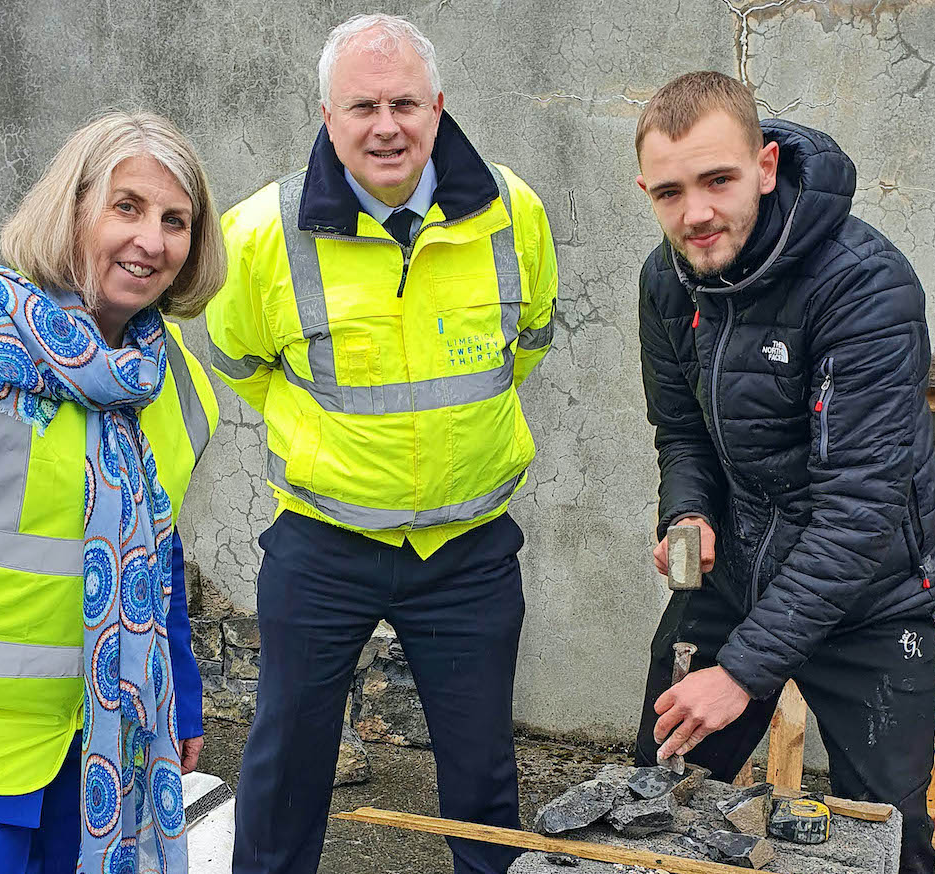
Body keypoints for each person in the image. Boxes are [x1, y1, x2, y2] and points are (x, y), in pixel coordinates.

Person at [206, 13, 558, 874]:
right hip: (323, 542)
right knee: (287, 763)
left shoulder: (514, 214)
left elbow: (528, 346)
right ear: (327, 116)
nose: (387, 125)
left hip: (468, 549)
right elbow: (236, 358)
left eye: (406, 102)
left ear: (438, 106)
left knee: (481, 773)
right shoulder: (258, 233)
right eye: (363, 105)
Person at [0, 110, 227, 874]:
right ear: (72, 208)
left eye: (175, 220)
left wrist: (181, 697)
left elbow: (159, 552)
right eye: (126, 207)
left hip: (111, 740)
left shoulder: (168, 377)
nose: (151, 241)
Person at [632, 71, 935, 874]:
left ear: (766, 166)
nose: (695, 213)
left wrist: (741, 669)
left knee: (885, 839)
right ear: (646, 190)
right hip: (734, 574)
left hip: (870, 595)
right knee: (648, 807)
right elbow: (683, 433)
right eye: (669, 192)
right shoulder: (667, 281)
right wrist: (688, 514)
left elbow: (860, 508)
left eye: (718, 180)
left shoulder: (864, 284)